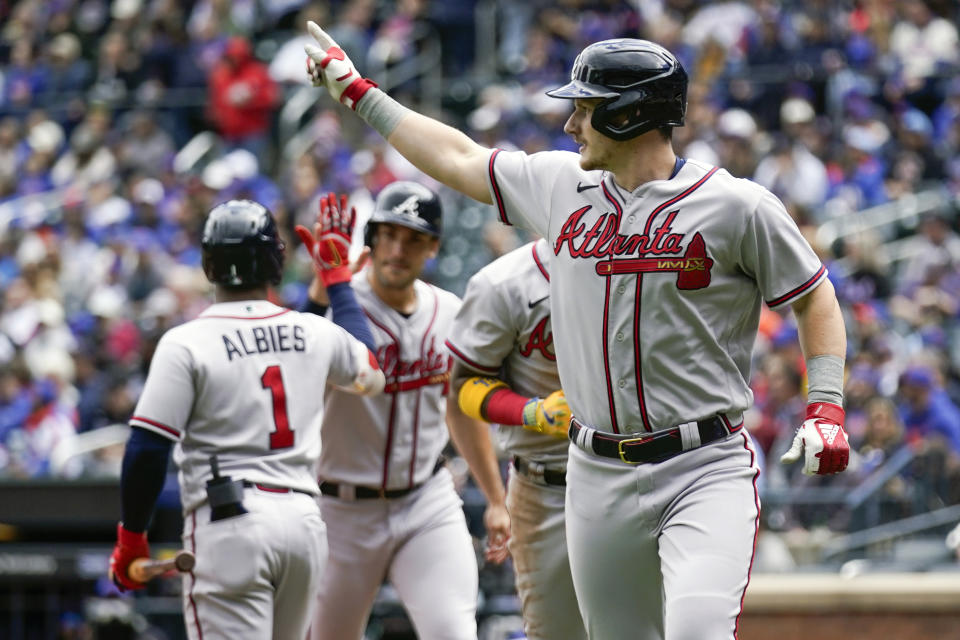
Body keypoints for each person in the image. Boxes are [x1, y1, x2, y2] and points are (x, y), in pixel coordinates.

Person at [302, 27, 850, 639]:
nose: (571, 125)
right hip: (595, 469)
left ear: (630, 112)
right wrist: (357, 92)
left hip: (702, 462)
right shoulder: (562, 185)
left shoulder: (737, 206)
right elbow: (457, 157)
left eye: (585, 109)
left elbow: (815, 296)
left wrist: (825, 406)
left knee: (697, 629)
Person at [108, 198, 385, 639]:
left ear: (208, 264)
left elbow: (147, 448)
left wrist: (132, 539)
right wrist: (337, 282)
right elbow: (370, 370)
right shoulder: (310, 331)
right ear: (275, 260)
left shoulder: (186, 342)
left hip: (229, 523)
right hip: (302, 524)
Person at [304, 183, 509, 640]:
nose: (398, 249)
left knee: (455, 632)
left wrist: (496, 498)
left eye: (414, 238)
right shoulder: (338, 308)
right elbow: (299, 374)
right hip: (341, 511)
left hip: (425, 502)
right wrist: (322, 291)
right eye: (389, 235)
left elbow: (462, 409)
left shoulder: (450, 312)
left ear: (433, 247)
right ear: (372, 238)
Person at [446, 238, 587, 640]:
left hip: (631, 473)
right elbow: (463, 392)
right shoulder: (504, 282)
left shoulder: (641, 267)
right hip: (543, 484)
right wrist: (534, 412)